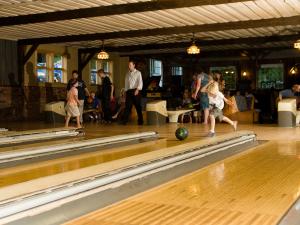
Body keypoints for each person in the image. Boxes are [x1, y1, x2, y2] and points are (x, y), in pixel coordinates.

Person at [121, 60, 143, 125]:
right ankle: (124, 121)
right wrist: (125, 91)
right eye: (128, 65)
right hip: (129, 91)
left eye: (130, 65)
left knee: (138, 107)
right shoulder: (127, 74)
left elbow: (140, 82)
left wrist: (138, 89)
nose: (129, 66)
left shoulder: (138, 73)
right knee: (127, 107)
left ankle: (140, 120)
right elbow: (126, 84)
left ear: (134, 65)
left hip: (136, 91)